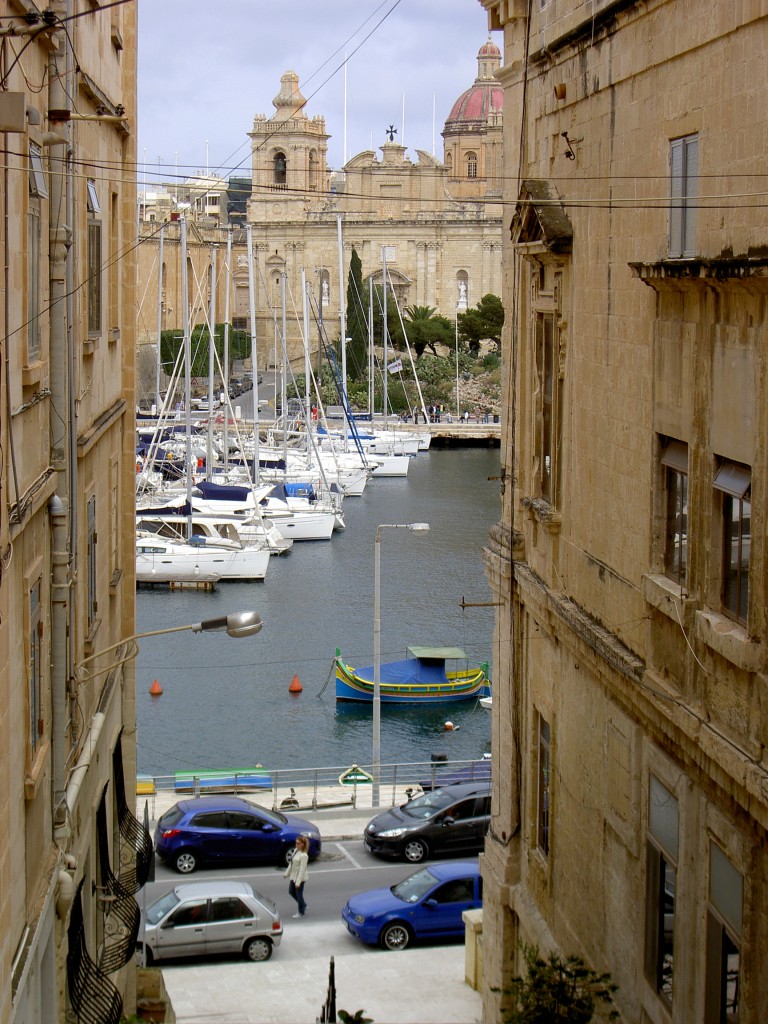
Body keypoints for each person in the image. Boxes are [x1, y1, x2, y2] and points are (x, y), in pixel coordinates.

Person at [284, 834, 310, 918]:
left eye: (298, 843)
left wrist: (298, 882)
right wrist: (286, 873)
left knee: (299, 894)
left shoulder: (304, 856)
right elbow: (291, 864)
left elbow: (302, 870)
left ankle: (301, 912)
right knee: (291, 891)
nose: (296, 845)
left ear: (303, 844)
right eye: (296, 843)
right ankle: (303, 905)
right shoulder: (295, 851)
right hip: (293, 876)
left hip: (300, 878)